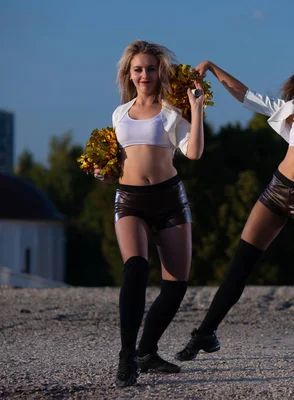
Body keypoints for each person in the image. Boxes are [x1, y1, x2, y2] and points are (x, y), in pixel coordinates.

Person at [175, 54, 294, 364]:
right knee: (240, 266)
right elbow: (246, 96)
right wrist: (212, 66)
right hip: (276, 191)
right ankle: (204, 334)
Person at [94, 40, 205, 388]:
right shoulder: (119, 113)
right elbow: (115, 162)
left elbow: (194, 153)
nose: (145, 75)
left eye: (151, 69)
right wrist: (103, 171)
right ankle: (127, 356)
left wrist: (196, 110)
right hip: (129, 200)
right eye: (138, 69)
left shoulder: (173, 111)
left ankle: (147, 350)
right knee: (136, 268)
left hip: (170, 200)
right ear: (129, 74)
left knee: (176, 286)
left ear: (161, 72)